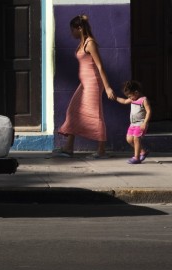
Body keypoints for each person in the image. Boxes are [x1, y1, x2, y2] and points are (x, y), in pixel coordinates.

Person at [55, 14, 115, 158]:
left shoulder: (90, 43)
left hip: (93, 84)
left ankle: (101, 151)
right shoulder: (82, 43)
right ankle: (69, 147)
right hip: (85, 83)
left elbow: (100, 66)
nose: (72, 33)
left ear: (80, 28)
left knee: (96, 114)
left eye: (73, 30)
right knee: (73, 110)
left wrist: (107, 87)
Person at [114, 80, 151, 164]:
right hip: (133, 124)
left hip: (140, 123)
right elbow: (123, 101)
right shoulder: (132, 99)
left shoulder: (143, 100)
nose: (130, 98)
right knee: (129, 139)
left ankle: (137, 158)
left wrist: (145, 123)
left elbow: (149, 111)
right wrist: (115, 97)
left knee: (136, 139)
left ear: (136, 92)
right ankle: (143, 152)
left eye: (130, 96)